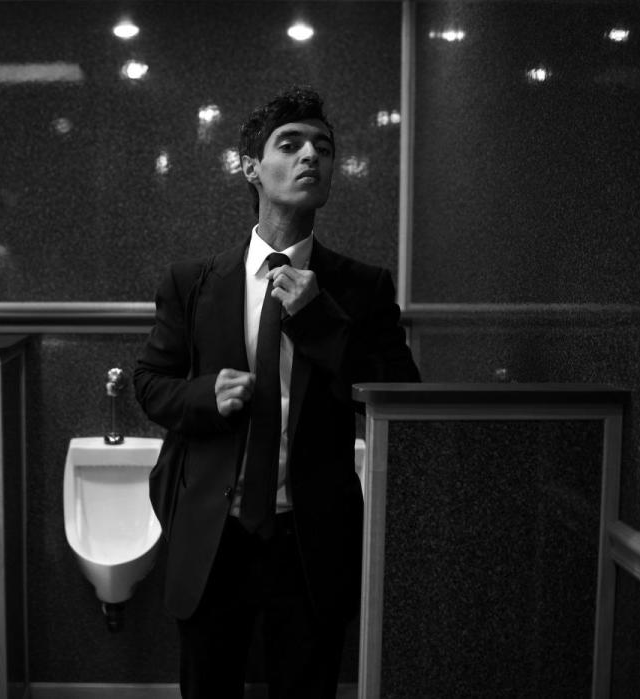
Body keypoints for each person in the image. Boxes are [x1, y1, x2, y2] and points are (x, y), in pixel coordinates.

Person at [134, 86, 420, 698]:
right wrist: (204, 396)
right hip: (214, 536)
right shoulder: (192, 282)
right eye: (289, 145)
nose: (310, 156)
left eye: (324, 147)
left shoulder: (362, 288)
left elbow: (401, 398)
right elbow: (150, 385)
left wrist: (320, 322)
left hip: (311, 540)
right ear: (250, 168)